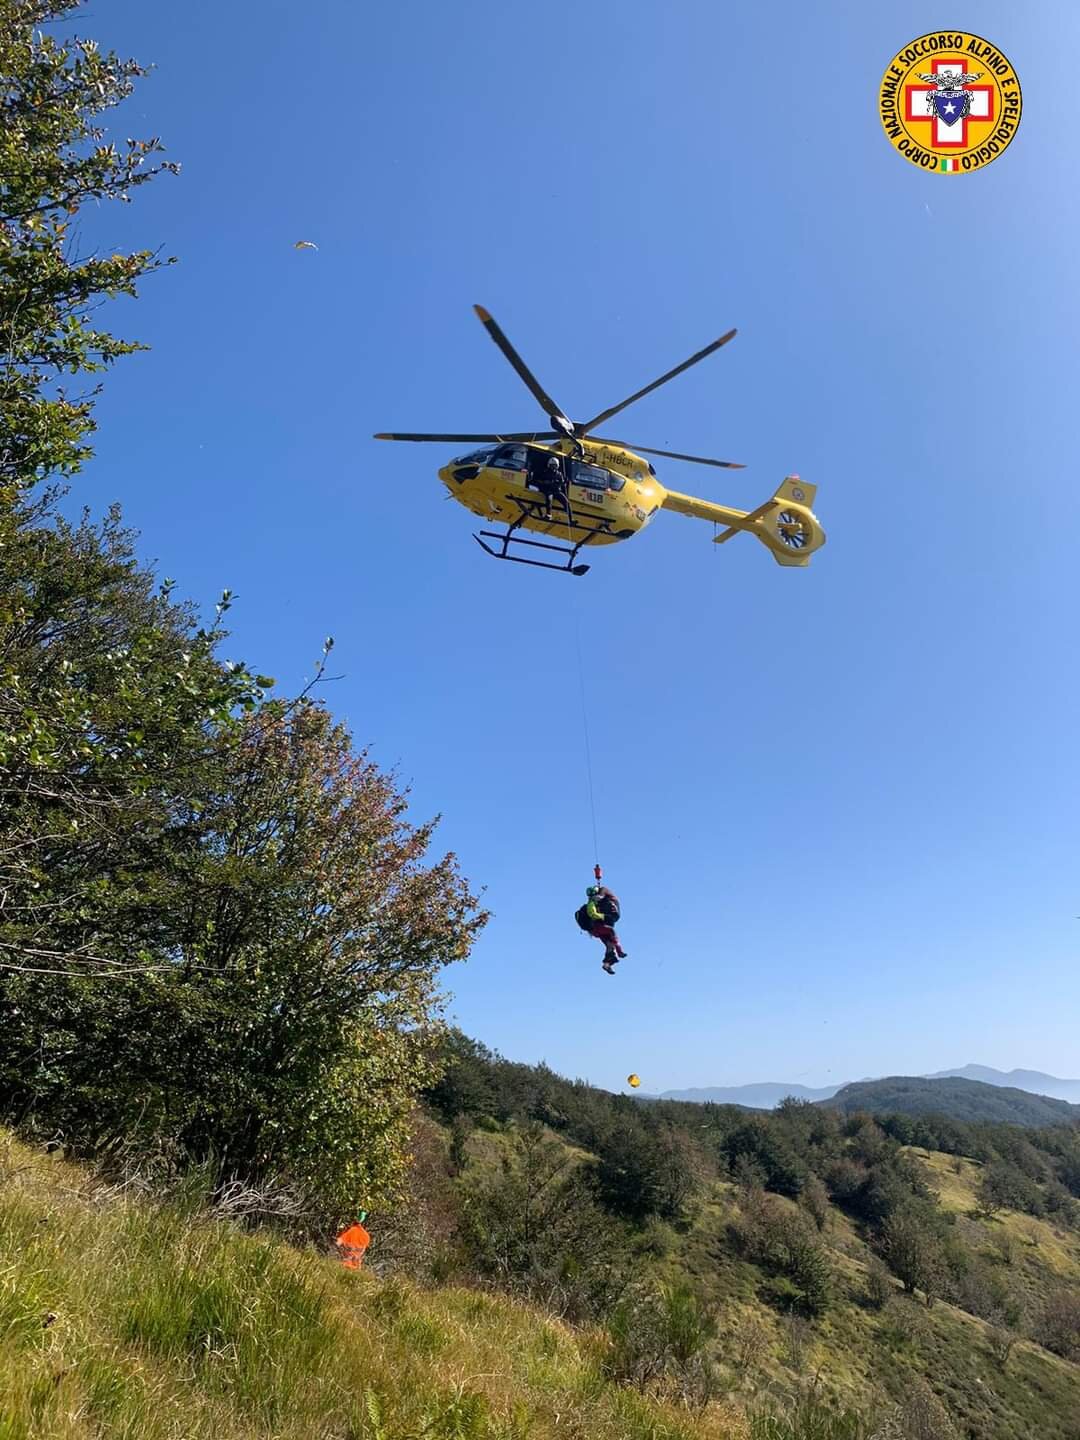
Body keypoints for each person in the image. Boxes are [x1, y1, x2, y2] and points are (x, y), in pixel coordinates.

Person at [577, 884, 627, 974]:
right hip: (598, 927)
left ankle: (607, 964)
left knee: (609, 944)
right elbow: (593, 912)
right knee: (612, 932)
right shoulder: (598, 896)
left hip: (596, 929)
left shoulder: (597, 899)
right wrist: (603, 916)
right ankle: (619, 950)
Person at [535, 453, 573, 525]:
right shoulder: (545, 473)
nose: (553, 467)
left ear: (557, 466)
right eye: (552, 465)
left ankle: (571, 519)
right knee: (549, 499)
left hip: (557, 491)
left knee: (566, 502)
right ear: (549, 465)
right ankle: (549, 514)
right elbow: (539, 480)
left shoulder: (559, 474)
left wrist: (563, 482)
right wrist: (545, 482)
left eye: (554, 466)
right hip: (548, 490)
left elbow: (562, 482)